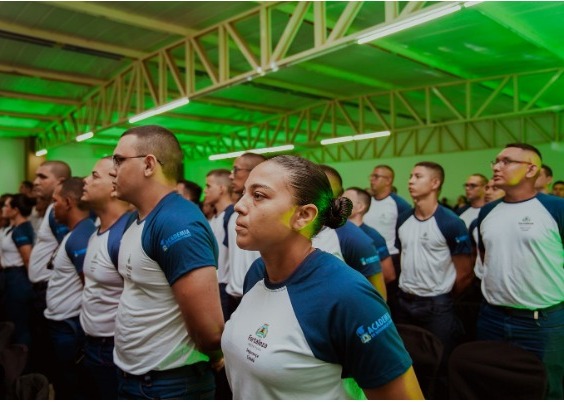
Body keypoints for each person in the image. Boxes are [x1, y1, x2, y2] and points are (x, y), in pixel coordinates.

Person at [222, 155, 423, 399]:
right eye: (244, 193)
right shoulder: (257, 274)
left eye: (259, 196)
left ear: (303, 215)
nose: (239, 206)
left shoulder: (347, 295)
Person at [110, 125, 224, 399]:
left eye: (119, 160)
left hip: (169, 385)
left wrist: (215, 356)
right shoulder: (140, 219)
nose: (113, 170)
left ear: (149, 164)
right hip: (139, 378)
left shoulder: (176, 221)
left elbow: (210, 331)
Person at [477, 143, 564, 399]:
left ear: (531, 169)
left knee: (546, 388)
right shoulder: (488, 211)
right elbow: (485, 257)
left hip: (543, 323)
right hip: (492, 317)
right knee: (494, 386)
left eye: (506, 161)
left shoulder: (556, 209)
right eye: (495, 161)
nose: (496, 166)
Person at [395, 161, 473, 355]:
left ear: (435, 183)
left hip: (436, 306)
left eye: (418, 177)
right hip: (404, 301)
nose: (411, 181)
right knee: (408, 359)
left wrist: (441, 296)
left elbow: (464, 273)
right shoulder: (403, 219)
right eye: (410, 176)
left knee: (440, 361)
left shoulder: (451, 222)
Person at [80, 157, 133, 399]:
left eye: (94, 176)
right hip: (92, 344)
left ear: (114, 187)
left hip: (113, 347)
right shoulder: (97, 232)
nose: (85, 180)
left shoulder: (125, 237)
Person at [45, 177, 97, 399]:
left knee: (71, 387)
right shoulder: (74, 233)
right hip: (62, 324)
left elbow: (90, 286)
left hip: (70, 327)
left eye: (55, 201)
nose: (52, 206)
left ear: (67, 202)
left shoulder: (81, 236)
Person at [314, 166, 386, 300]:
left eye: (329, 192)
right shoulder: (290, 231)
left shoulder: (353, 237)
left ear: (339, 197)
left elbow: (379, 295)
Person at [27, 160, 71, 377]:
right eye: (36, 176)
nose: (36, 182)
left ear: (60, 181)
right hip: (42, 290)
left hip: (49, 289)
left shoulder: (59, 210)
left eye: (42, 177)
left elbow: (69, 249)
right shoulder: (51, 208)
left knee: (53, 358)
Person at [363, 165, 411, 311]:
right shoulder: (366, 202)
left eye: (377, 176)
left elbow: (405, 234)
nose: (372, 180)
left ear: (388, 180)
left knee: (387, 302)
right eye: (371, 176)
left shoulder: (400, 205)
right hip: (365, 257)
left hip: (390, 259)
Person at [224, 153, 265, 318]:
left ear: (254, 172)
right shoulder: (235, 212)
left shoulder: (264, 213)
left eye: (236, 169)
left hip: (258, 297)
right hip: (232, 296)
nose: (230, 175)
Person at [0, 194, 35, 346]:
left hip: (18, 277)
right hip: (9, 276)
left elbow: (27, 258)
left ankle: (22, 359)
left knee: (19, 321)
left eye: (7, 206)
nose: (3, 208)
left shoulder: (21, 229)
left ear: (15, 210)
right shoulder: (12, 228)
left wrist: (31, 281)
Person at [343, 186, 396, 285]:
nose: (340, 203)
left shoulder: (373, 236)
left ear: (360, 207)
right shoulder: (336, 231)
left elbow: (389, 275)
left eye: (346, 200)